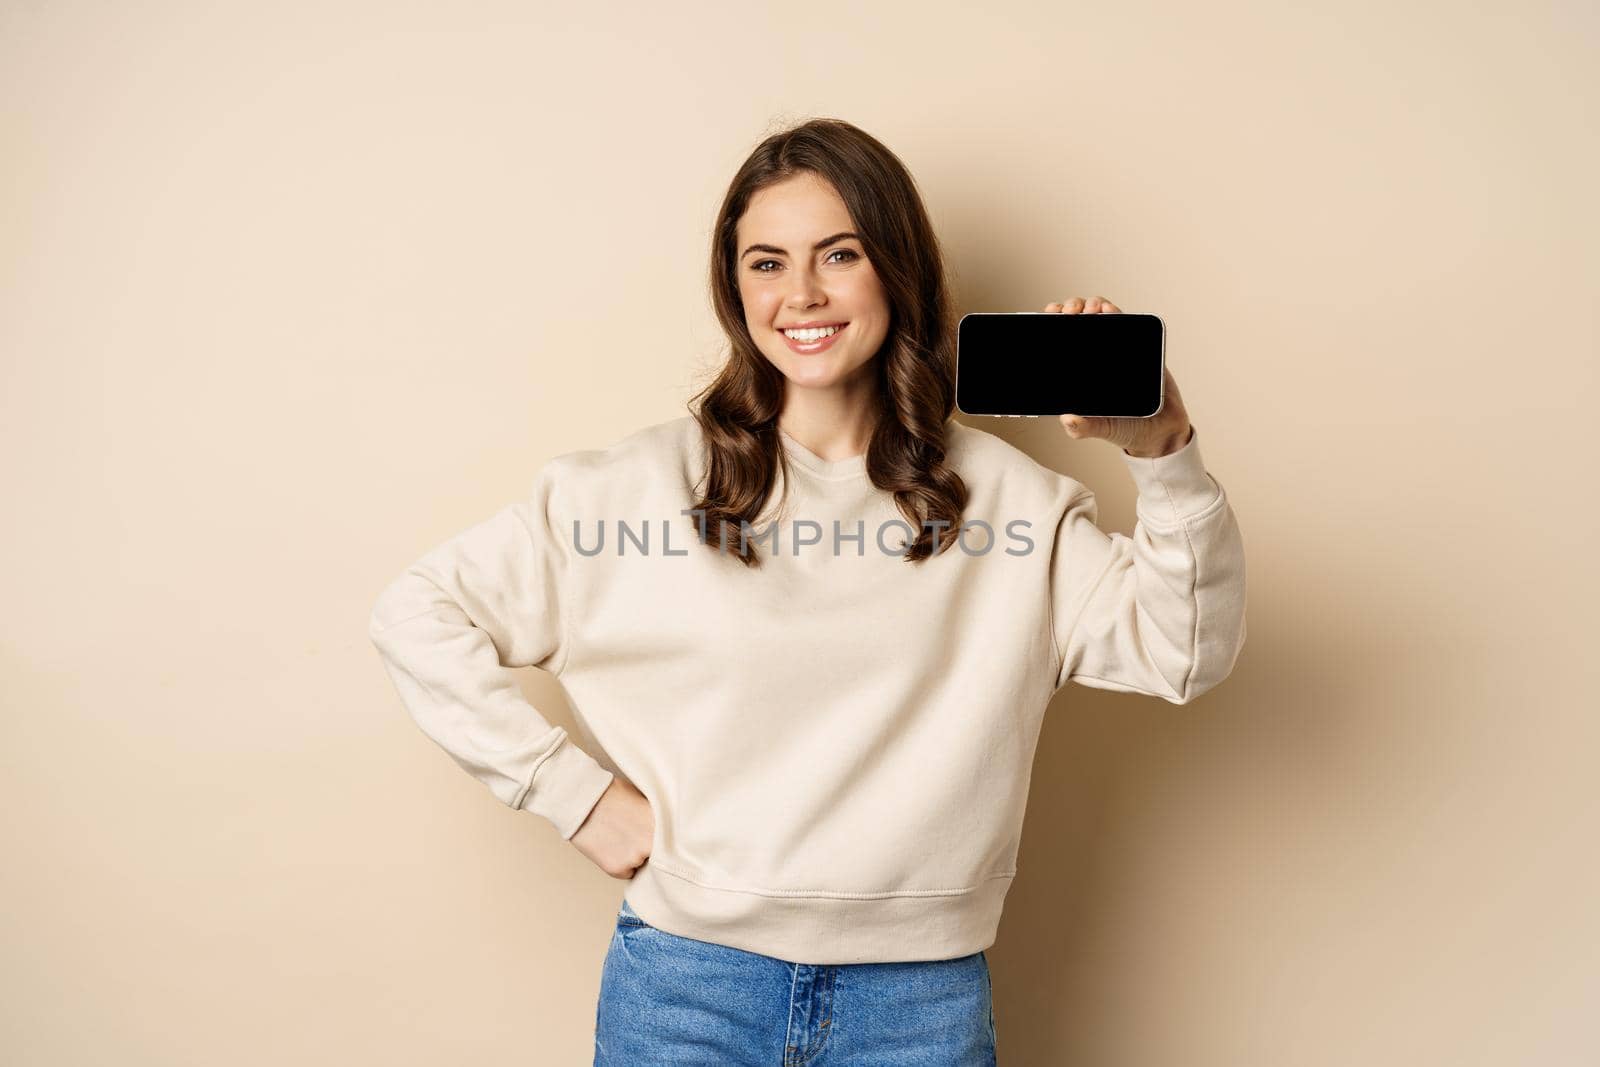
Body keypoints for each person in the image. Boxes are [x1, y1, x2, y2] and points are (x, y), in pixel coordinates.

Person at [368, 117, 1247, 1065]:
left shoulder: (1012, 504)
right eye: (765, 263)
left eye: (839, 253)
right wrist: (571, 794)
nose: (802, 295)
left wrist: (1163, 453)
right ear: (732, 285)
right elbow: (416, 615)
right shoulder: (627, 492)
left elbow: (1184, 650)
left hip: (921, 1001)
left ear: (895, 270)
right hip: (686, 989)